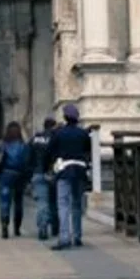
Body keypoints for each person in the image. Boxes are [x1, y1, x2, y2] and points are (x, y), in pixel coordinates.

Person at [44, 104, 92, 250]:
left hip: (64, 171)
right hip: (80, 171)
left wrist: (49, 167)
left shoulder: (58, 133)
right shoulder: (83, 133)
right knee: (76, 204)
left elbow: (49, 151)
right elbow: (88, 151)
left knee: (63, 204)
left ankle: (64, 238)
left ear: (65, 117)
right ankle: (77, 236)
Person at [0, 122, 30, 239]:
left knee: (5, 200)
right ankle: (17, 228)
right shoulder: (22, 145)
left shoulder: (2, 144)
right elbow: (26, 161)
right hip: (19, 175)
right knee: (18, 201)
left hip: (6, 174)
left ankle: (4, 224)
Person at [29, 117, 59, 240]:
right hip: (53, 173)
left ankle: (42, 227)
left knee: (42, 202)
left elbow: (29, 156)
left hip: (38, 173)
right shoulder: (56, 138)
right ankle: (55, 226)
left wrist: (30, 172)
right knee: (54, 202)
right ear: (53, 126)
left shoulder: (35, 139)